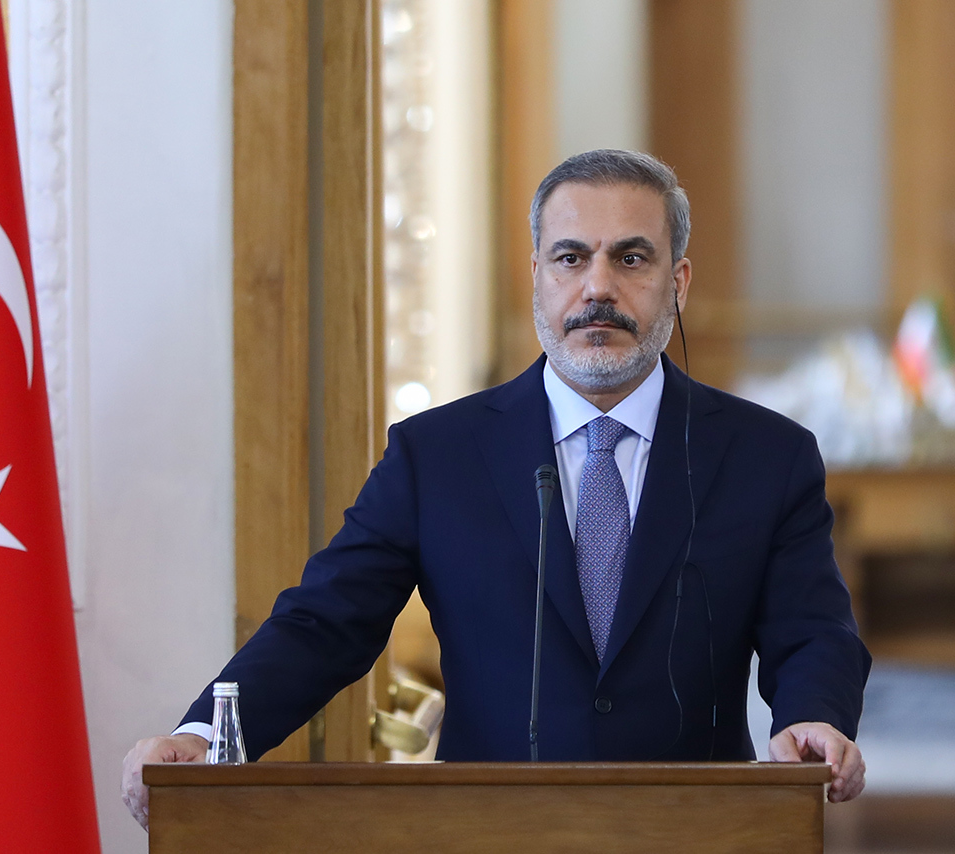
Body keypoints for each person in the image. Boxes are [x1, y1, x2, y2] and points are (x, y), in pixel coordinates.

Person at [122, 149, 870, 829]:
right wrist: (206, 737)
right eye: (571, 258)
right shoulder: (436, 455)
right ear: (537, 275)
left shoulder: (767, 456)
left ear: (677, 283)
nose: (598, 287)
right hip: (485, 830)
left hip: (697, 830)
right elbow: (324, 623)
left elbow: (812, 629)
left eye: (631, 258)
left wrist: (816, 717)